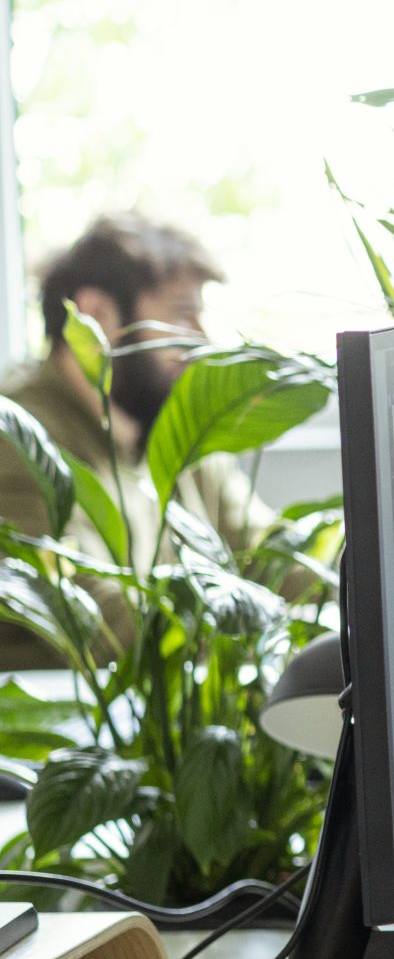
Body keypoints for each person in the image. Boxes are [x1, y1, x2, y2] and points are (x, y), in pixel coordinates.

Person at [0, 213, 262, 668]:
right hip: (83, 709)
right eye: (181, 314)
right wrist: (259, 640)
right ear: (96, 315)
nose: (201, 339)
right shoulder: (17, 439)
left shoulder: (170, 422)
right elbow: (100, 622)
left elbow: (267, 550)